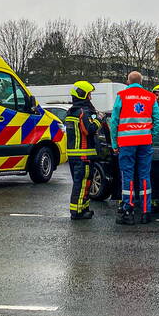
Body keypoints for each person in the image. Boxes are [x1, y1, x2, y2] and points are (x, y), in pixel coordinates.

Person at [109, 71, 159, 224]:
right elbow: (158, 120)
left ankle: (128, 210)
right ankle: (146, 212)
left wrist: (114, 143)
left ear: (128, 81)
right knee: (144, 175)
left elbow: (114, 122)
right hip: (145, 141)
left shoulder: (122, 95)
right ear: (141, 81)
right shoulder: (150, 97)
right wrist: (151, 135)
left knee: (128, 175)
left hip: (126, 142)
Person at [64, 81, 103, 220]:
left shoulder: (72, 111)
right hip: (83, 155)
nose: (90, 98)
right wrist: (99, 119)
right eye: (89, 95)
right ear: (83, 95)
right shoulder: (83, 112)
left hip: (75, 155)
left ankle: (84, 208)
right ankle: (77, 212)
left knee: (83, 183)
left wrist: (94, 115)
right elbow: (90, 129)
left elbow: (87, 120)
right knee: (81, 184)